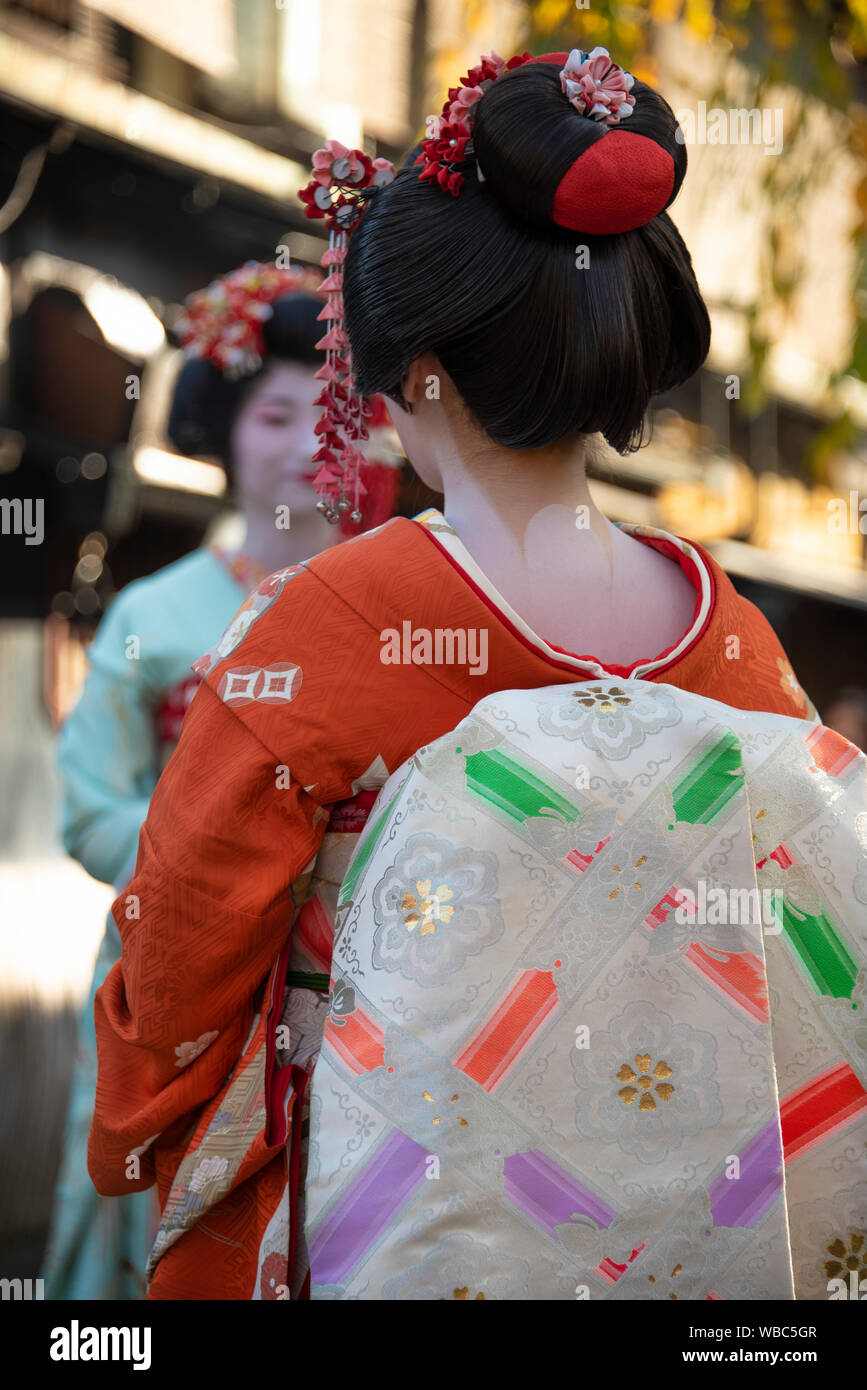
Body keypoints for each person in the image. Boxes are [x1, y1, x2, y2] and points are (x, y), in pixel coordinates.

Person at [87, 50, 825, 1300]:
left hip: (401, 1211)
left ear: (411, 371)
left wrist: (134, 1113)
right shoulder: (733, 635)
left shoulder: (329, 623)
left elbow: (183, 958)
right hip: (693, 1227)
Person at [43, 262, 402, 1299]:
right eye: (275, 414)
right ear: (223, 430)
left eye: (329, 415)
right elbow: (90, 803)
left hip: (361, 965)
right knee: (149, 1198)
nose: (303, 443)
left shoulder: (403, 599)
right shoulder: (153, 611)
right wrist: (211, 883)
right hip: (175, 956)